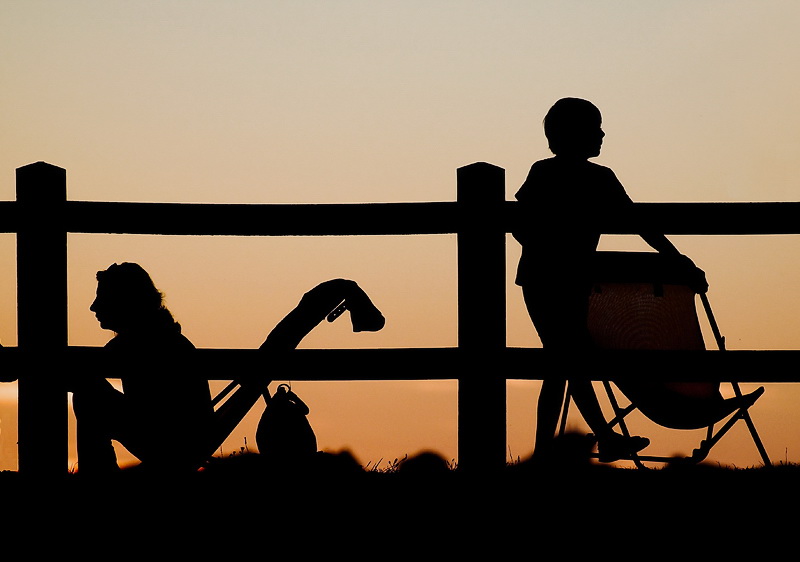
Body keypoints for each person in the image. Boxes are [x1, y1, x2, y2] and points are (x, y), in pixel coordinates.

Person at [512, 97, 705, 463]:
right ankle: (588, 440)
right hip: (557, 279)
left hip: (544, 277)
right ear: (575, 134)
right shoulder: (595, 178)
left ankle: (558, 449)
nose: (602, 134)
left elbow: (519, 225)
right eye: (594, 127)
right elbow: (639, 223)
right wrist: (677, 259)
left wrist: (677, 259)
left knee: (563, 362)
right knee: (566, 360)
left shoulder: (547, 172)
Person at [71, 262, 213, 474]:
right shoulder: (160, 336)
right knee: (87, 387)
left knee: (87, 394)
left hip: (170, 441)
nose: (94, 306)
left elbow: (89, 369)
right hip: (183, 440)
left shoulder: (140, 340)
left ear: (125, 301)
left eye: (103, 298)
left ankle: (98, 475)